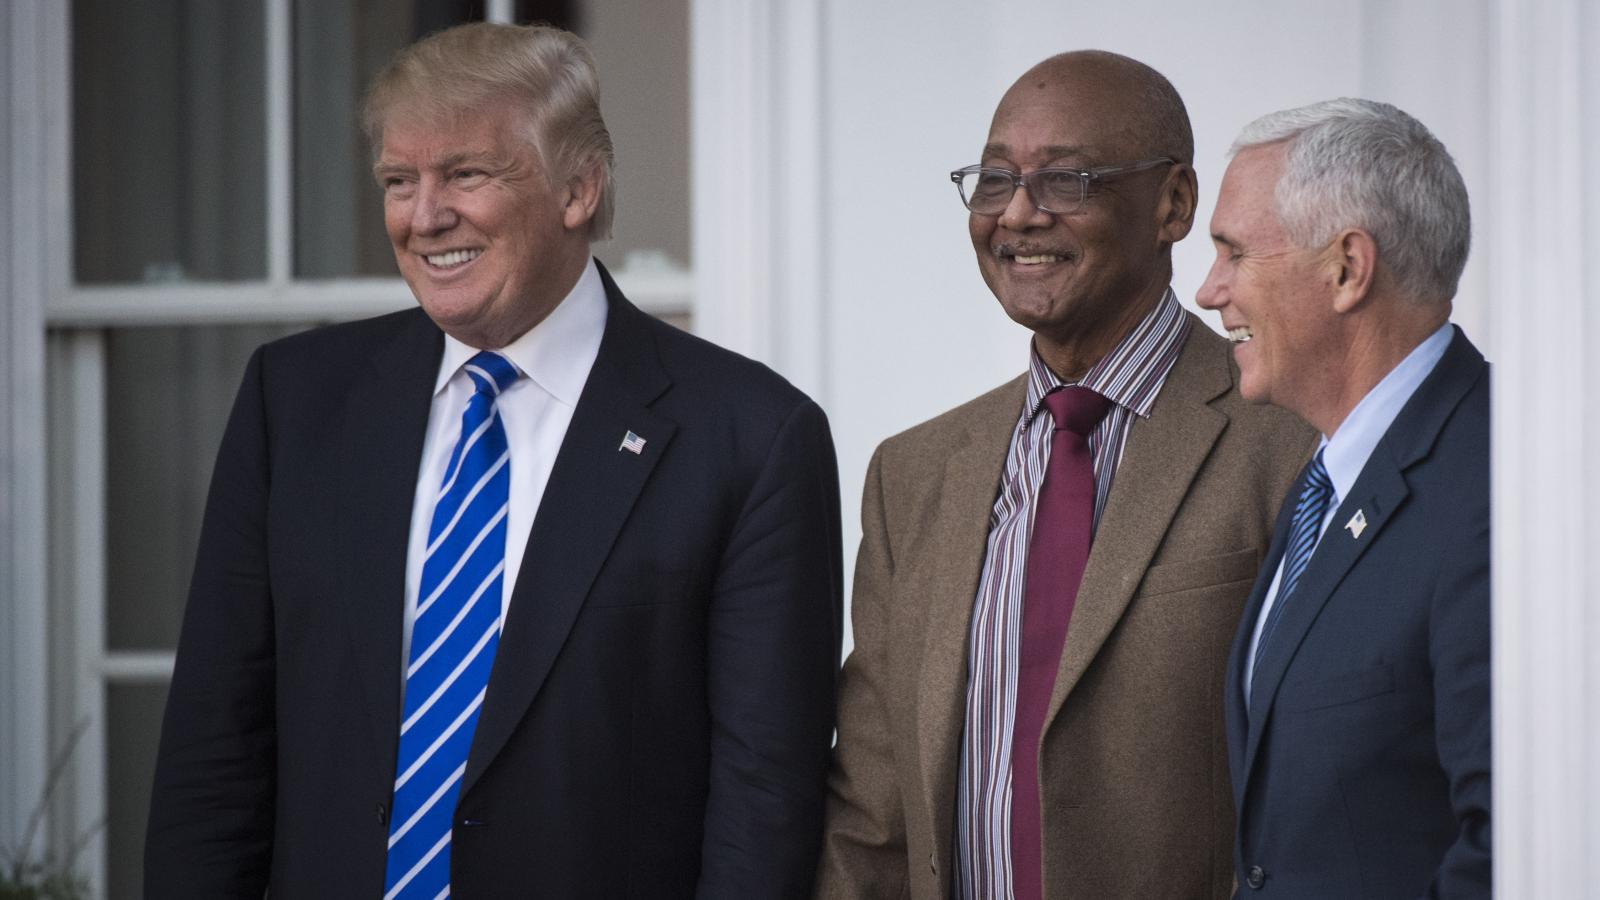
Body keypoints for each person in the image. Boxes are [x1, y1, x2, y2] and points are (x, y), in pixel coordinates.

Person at [145, 23, 842, 899]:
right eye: (400, 181)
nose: (424, 216)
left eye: (465, 174)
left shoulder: (750, 436)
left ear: (579, 188)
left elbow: (764, 806)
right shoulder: (295, 403)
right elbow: (216, 750)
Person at [816, 51, 1314, 900]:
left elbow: (1320, 787)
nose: (1016, 214)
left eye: (1066, 182)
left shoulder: (1291, 441)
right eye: (993, 180)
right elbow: (874, 813)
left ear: (1174, 203)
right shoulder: (913, 475)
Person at [1196, 98, 1490, 898]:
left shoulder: (1495, 483)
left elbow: (1508, 841)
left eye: (1232, 252)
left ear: (1347, 269)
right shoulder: (1326, 477)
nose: (1206, 290)